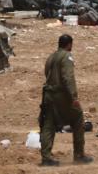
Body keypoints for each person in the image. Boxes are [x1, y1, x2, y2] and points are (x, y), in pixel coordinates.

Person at [39, 34, 90, 166]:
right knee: (78, 117)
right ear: (69, 44)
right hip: (61, 95)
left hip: (48, 95)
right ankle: (79, 155)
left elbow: (47, 73)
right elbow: (68, 77)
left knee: (48, 124)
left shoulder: (51, 57)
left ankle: (46, 157)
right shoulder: (66, 56)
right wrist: (73, 97)